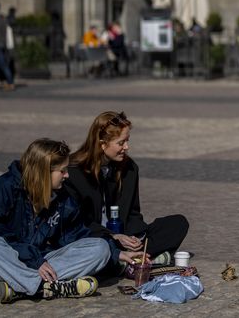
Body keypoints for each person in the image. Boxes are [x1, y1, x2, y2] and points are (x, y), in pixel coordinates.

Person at [0, 139, 111, 304]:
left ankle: (22, 288)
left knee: (100, 248)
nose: (67, 175)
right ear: (44, 172)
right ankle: (41, 286)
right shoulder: (6, 187)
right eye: (62, 171)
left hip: (38, 263)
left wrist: (117, 252)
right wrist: (32, 259)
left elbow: (76, 235)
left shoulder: (63, 197)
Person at [65, 111, 188, 274]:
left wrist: (134, 237)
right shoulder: (73, 172)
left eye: (127, 141)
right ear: (102, 144)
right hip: (95, 237)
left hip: (122, 236)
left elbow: (133, 212)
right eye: (121, 143)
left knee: (178, 224)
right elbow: (76, 223)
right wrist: (113, 236)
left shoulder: (129, 168)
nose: (126, 147)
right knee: (98, 247)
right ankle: (134, 260)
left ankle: (129, 260)